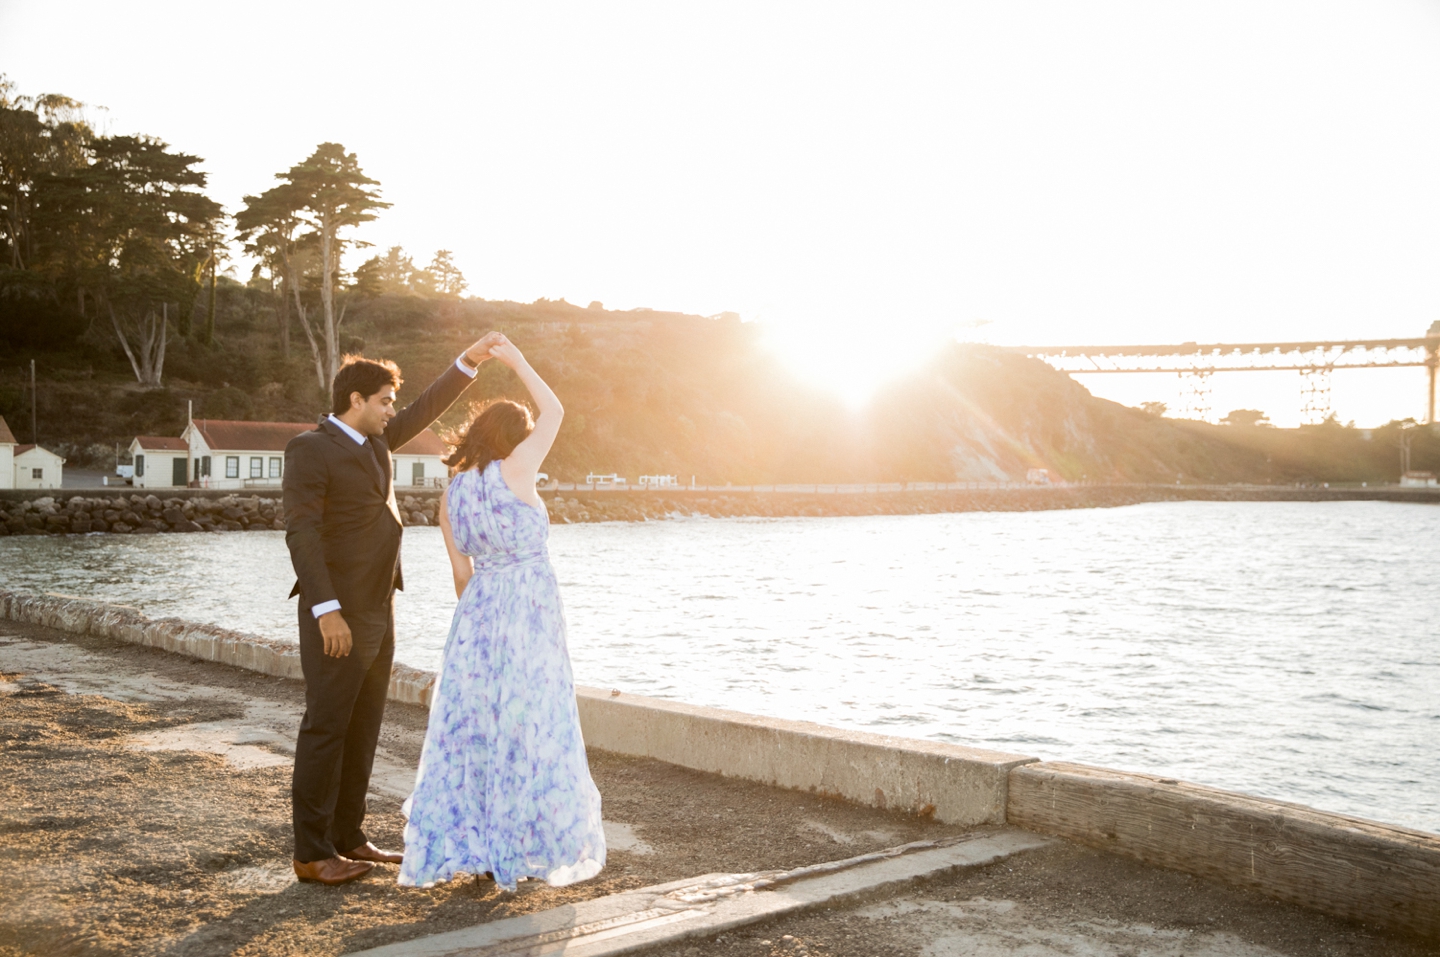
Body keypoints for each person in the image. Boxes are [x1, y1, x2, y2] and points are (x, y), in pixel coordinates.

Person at [283, 333, 504, 886]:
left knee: (362, 727)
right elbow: (302, 532)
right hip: (337, 613)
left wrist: (469, 362)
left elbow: (425, 407)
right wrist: (325, 609)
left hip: (381, 607)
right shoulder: (309, 448)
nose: (391, 411)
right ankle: (311, 852)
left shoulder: (376, 442)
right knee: (326, 728)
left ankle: (348, 837)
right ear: (355, 399)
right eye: (383, 401)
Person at [399, 336, 605, 891]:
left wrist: (479, 621)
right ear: (516, 437)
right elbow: (556, 411)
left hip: (477, 618)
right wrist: (515, 360)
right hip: (529, 612)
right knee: (531, 725)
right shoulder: (519, 469)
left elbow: (460, 576)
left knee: (476, 732)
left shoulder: (453, 493)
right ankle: (525, 844)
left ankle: (485, 848)